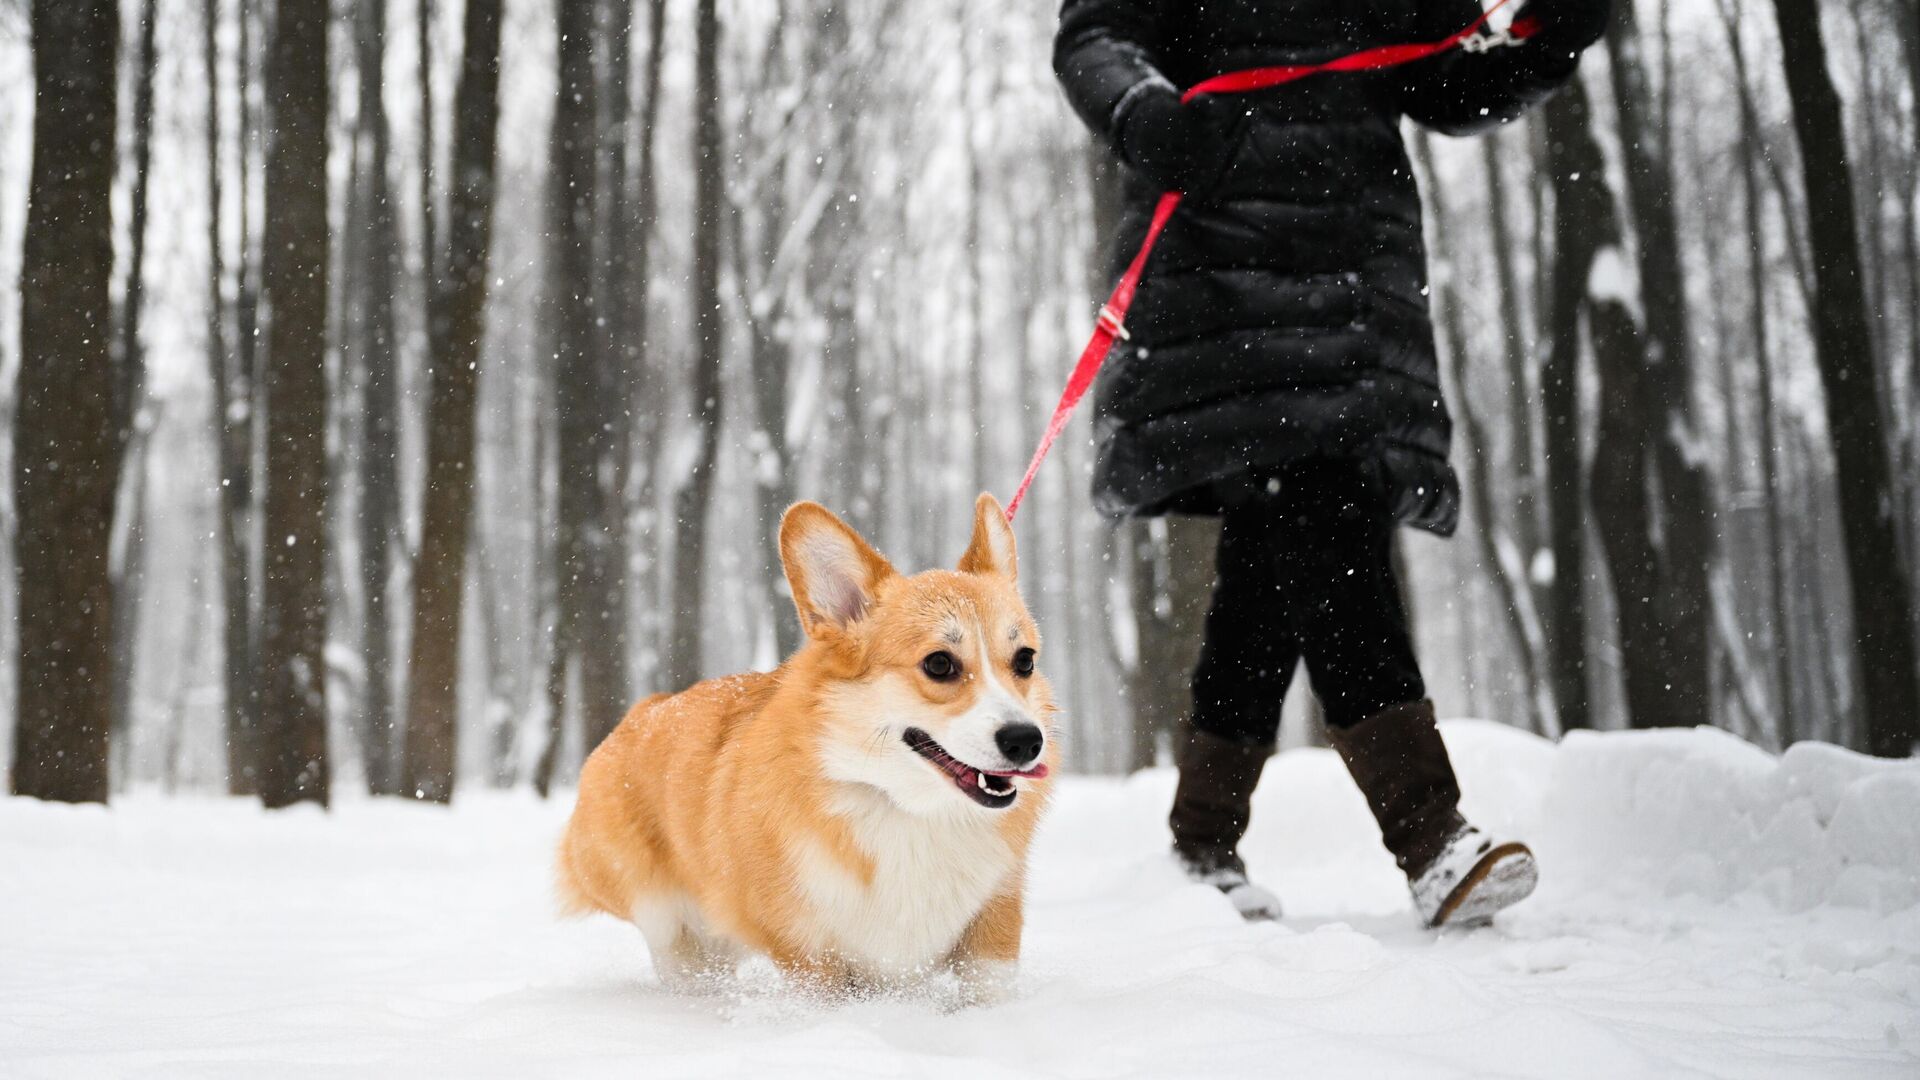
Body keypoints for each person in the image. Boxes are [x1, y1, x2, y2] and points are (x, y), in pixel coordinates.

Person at [1053, 0, 1610, 926]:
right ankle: (1430, 836)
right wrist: (1146, 115)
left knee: (1270, 572)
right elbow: (1097, 37)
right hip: (1221, 276)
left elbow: (1440, 75)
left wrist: (1549, 36)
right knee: (1321, 521)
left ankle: (1199, 846)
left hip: (1354, 288)